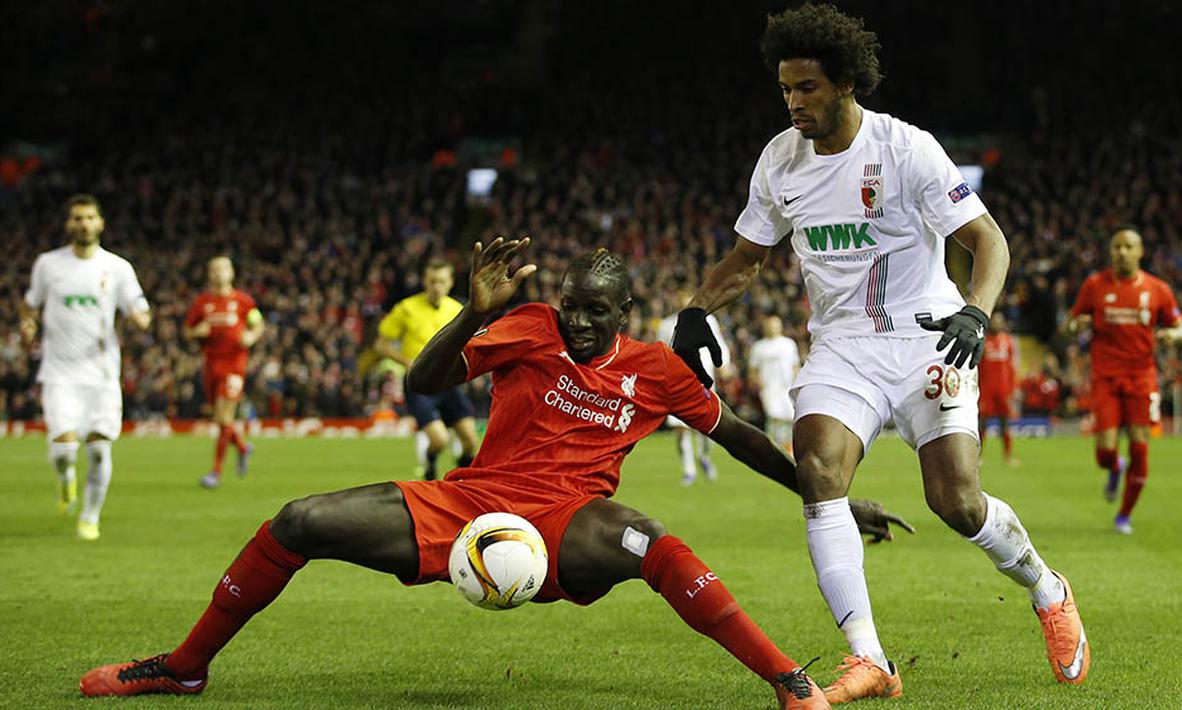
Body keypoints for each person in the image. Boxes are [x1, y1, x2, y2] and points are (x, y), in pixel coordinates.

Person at [78, 239, 912, 709]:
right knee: (299, 521)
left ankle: (788, 682)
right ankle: (186, 666)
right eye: (570, 305)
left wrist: (832, 498)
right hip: (468, 501)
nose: (576, 321)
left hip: (569, 519)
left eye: (594, 311)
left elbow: (739, 438)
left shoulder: (656, 370)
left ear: (623, 315)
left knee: (647, 540)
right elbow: (423, 381)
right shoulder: (528, 325)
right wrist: (473, 314)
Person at [670, 5, 1089, 701]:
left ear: (845, 83)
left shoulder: (905, 149)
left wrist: (977, 311)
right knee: (817, 468)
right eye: (785, 88)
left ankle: (1047, 588)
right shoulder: (779, 160)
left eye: (806, 88)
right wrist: (694, 310)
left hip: (928, 336)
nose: (793, 102)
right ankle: (869, 658)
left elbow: (988, 240)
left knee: (956, 501)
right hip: (843, 347)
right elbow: (747, 258)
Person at [18, 194, 151, 540]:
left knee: (98, 448)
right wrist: (28, 323)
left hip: (102, 375)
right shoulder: (48, 264)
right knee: (64, 450)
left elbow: (139, 307)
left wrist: (140, 319)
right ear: (68, 224)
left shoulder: (117, 267)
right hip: (59, 374)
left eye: (90, 217)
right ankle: (66, 481)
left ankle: (90, 517)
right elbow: (30, 304)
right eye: (77, 218)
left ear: (100, 223)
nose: (84, 224)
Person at [1065, 227, 1182, 534]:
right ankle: (1115, 466)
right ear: (1110, 251)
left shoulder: (1158, 289)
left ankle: (1124, 516)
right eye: (1117, 246)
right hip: (1105, 377)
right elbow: (1071, 323)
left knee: (1140, 446)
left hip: (1142, 378)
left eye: (1128, 246)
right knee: (1104, 452)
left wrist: (1173, 334)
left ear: (1140, 251)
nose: (1122, 252)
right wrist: (1077, 325)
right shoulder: (1094, 285)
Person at [374, 258, 479, 480]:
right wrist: (406, 361)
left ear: (450, 282)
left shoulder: (457, 310)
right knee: (439, 440)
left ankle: (458, 480)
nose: (436, 286)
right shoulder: (406, 308)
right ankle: (430, 468)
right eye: (432, 281)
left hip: (449, 382)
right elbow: (381, 345)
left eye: (441, 281)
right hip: (420, 383)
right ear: (424, 281)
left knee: (471, 441)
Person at [185, 256, 264, 489]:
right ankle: (242, 447)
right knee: (221, 419)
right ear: (209, 274)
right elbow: (187, 331)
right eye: (215, 269)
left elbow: (258, 324)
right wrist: (197, 331)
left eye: (223, 269)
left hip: (234, 365)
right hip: (211, 366)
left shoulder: (243, 301)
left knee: (223, 417)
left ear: (231, 273)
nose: (219, 273)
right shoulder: (202, 303)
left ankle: (215, 472)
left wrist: (251, 336)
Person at [655, 290, 731, 485]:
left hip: (703, 379)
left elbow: (719, 343)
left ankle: (704, 456)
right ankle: (688, 470)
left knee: (708, 426)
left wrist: (724, 365)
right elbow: (660, 352)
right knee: (681, 428)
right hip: (676, 382)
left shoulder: (707, 320)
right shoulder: (666, 325)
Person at [749, 315, 802, 453]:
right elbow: (752, 370)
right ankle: (774, 447)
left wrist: (799, 382)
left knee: (789, 417)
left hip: (787, 387)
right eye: (769, 324)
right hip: (769, 388)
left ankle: (788, 448)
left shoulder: (789, 344)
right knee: (774, 416)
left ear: (780, 326)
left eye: (774, 324)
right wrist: (757, 381)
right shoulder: (759, 347)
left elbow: (795, 365)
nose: (772, 327)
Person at [977, 312, 1020, 466]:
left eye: (999, 321)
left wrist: (1014, 387)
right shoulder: (983, 341)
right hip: (986, 389)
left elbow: (1011, 366)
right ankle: (978, 456)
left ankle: (1007, 456)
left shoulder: (1007, 341)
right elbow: (978, 367)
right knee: (982, 423)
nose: (996, 324)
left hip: (1003, 389)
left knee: (1005, 422)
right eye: (994, 321)